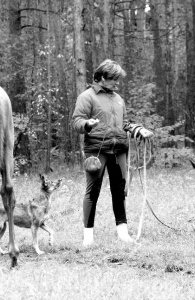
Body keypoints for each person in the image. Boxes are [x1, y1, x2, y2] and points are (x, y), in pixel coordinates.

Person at [72, 59, 153, 247]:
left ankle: (123, 233)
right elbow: (76, 121)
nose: (117, 83)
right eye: (113, 79)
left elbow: (125, 123)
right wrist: (87, 124)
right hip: (97, 150)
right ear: (101, 77)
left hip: (119, 150)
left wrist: (138, 130)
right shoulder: (86, 97)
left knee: (119, 191)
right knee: (93, 191)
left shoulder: (118, 99)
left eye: (117, 79)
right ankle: (88, 237)